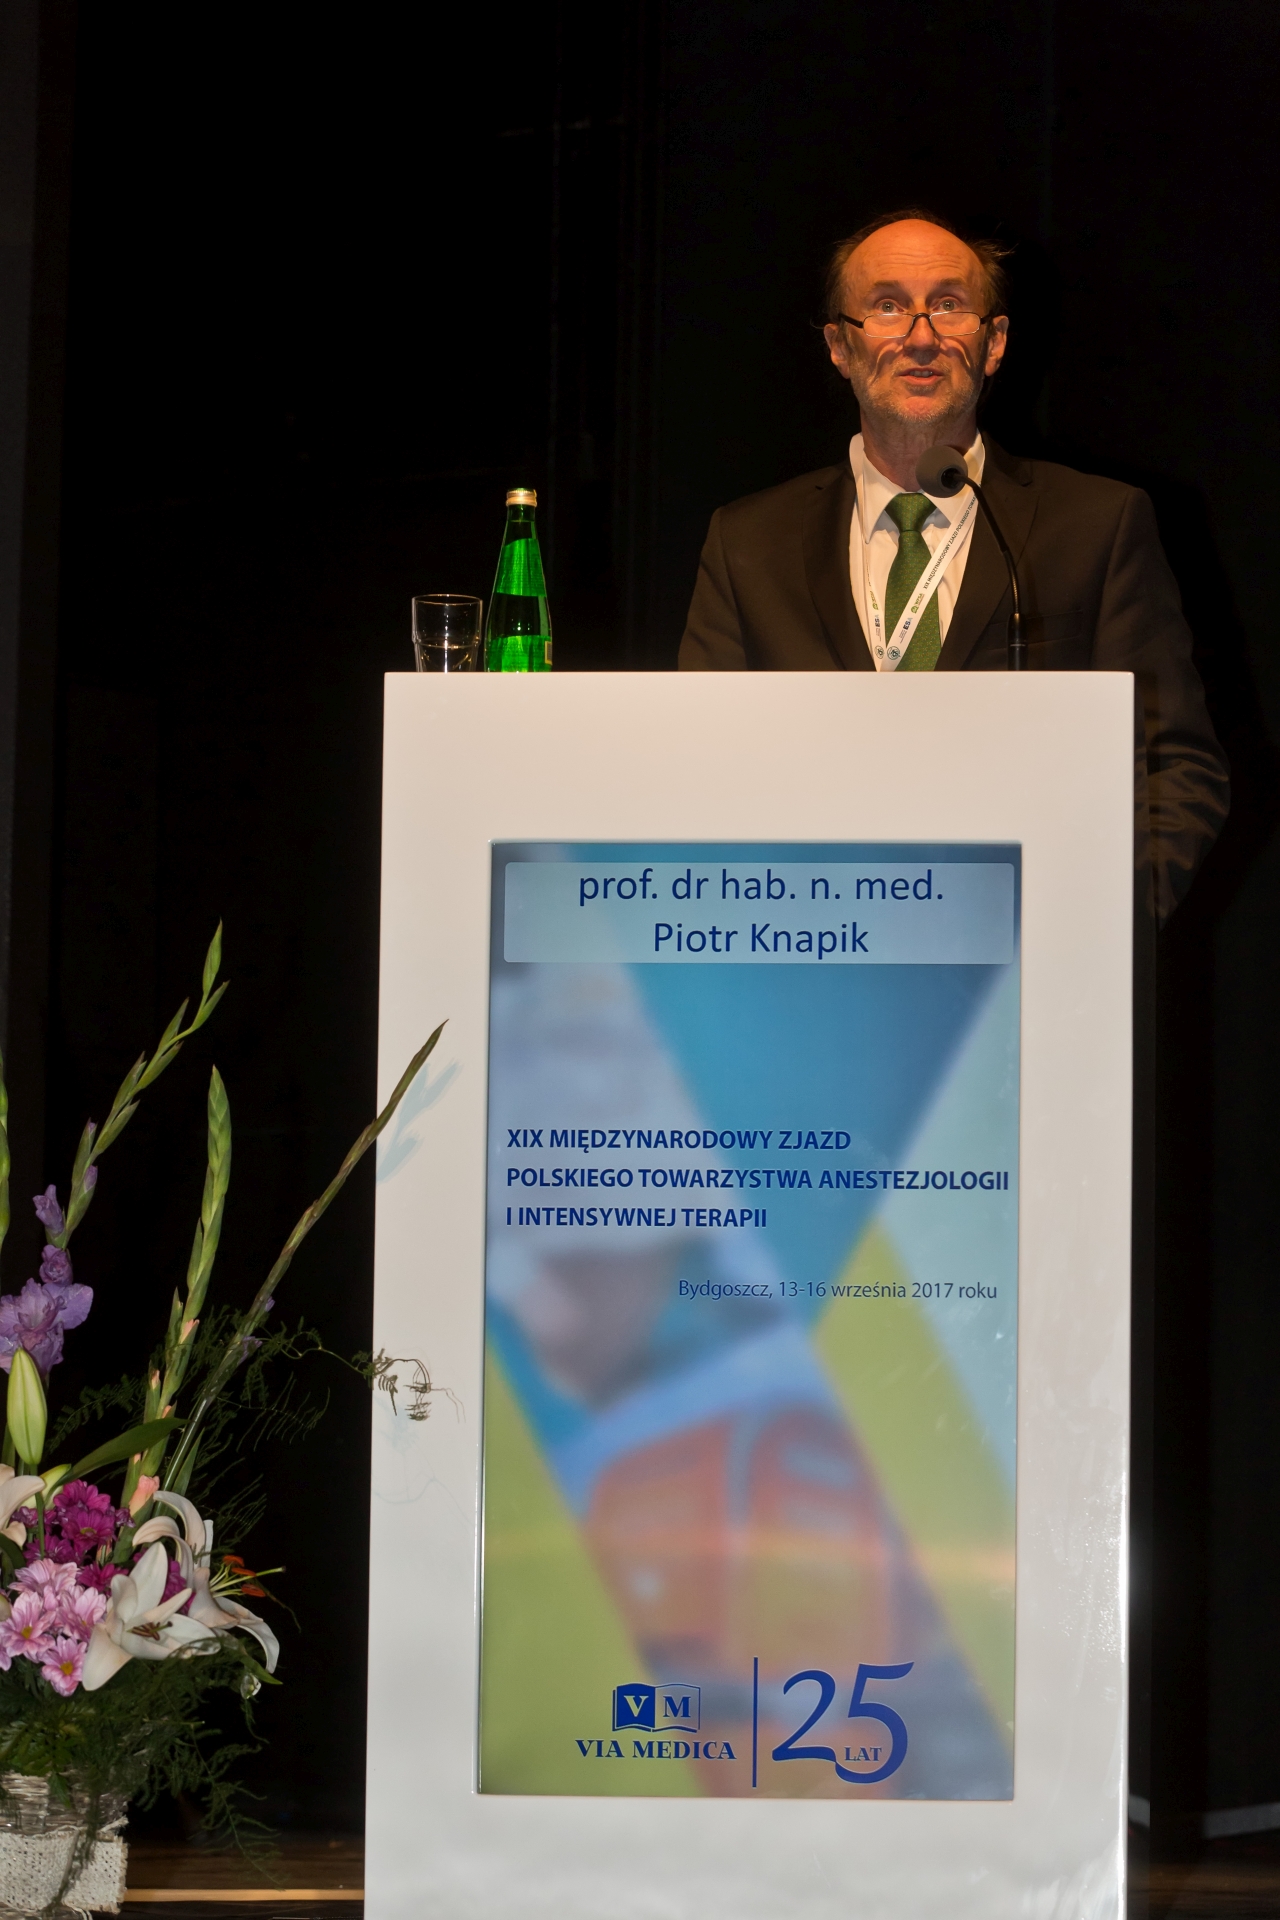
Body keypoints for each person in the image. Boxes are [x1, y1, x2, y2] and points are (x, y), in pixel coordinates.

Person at [678, 209, 1229, 922]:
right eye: (887, 307)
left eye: (948, 306)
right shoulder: (750, 542)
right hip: (812, 940)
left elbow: (1173, 765)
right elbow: (701, 763)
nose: (921, 337)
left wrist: (1092, 928)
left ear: (993, 343)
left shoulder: (1098, 524)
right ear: (839, 346)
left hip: (1028, 950)